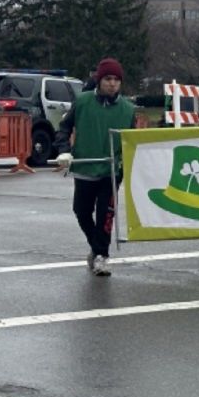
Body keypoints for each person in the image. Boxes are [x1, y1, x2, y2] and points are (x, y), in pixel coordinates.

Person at [54, 57, 137, 277]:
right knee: (81, 211)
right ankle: (96, 246)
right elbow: (64, 127)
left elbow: (133, 142)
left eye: (116, 80)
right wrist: (64, 150)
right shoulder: (82, 102)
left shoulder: (128, 109)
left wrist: (129, 166)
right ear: (99, 80)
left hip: (111, 171)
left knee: (105, 215)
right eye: (108, 79)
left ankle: (102, 255)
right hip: (85, 167)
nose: (112, 84)